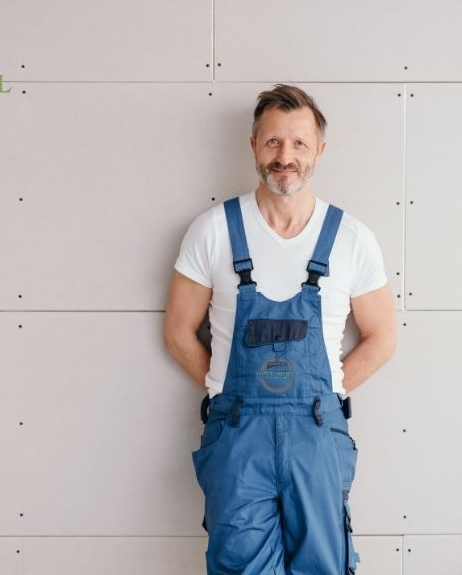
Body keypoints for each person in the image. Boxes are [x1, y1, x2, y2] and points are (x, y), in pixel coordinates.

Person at [164, 84, 397, 575]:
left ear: (319, 151)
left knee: (324, 567)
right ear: (253, 146)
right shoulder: (213, 230)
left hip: (318, 433)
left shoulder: (351, 238)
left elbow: (382, 338)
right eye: (272, 142)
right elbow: (178, 332)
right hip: (237, 435)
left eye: (298, 143)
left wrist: (327, 391)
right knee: (239, 567)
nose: (284, 156)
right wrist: (224, 389)